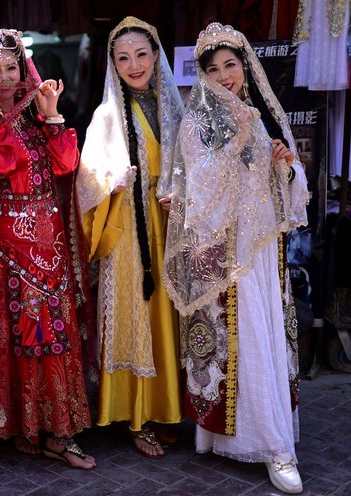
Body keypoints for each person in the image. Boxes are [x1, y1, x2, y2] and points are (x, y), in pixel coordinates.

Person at [162, 23, 309, 494]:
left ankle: (273, 442)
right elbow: (196, 191)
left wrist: (286, 166)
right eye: (214, 68)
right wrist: (233, 144)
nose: (225, 75)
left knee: (263, 337)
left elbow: (291, 189)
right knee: (238, 340)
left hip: (264, 252)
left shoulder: (264, 113)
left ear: (245, 68)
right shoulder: (198, 120)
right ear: (202, 75)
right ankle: (254, 442)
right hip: (227, 253)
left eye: (231, 65)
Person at [0, 28, 95, 469]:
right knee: (23, 340)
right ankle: (25, 426)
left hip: (49, 245)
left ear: (24, 67)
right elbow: (1, 161)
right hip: (8, 251)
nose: (4, 77)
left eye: (11, 67)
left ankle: (59, 430)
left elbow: (67, 164)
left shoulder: (38, 114)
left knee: (55, 336)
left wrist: (53, 116)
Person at [77, 16, 184, 459]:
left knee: (168, 318)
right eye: (123, 58)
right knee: (139, 319)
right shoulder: (106, 115)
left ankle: (163, 409)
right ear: (112, 64)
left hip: (168, 225)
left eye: (141, 54)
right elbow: (85, 182)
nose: (134, 64)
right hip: (128, 235)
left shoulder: (176, 109)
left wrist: (181, 189)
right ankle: (136, 417)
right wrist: (112, 183)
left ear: (156, 55)